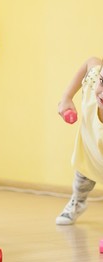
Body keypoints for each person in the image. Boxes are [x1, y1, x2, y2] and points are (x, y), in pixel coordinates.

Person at [56, 57, 103, 225]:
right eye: (102, 82)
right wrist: (66, 97)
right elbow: (91, 61)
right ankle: (78, 202)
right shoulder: (93, 84)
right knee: (81, 181)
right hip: (90, 151)